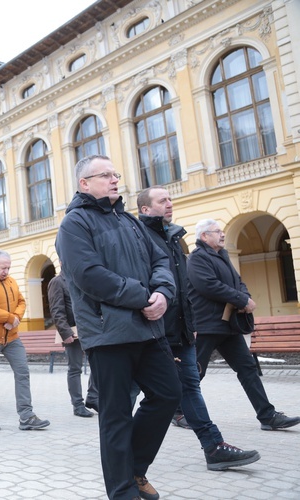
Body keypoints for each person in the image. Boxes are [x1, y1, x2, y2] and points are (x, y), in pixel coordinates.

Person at [56, 155, 181, 500]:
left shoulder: (130, 221)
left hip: (148, 329)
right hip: (108, 334)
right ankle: (122, 491)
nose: (114, 180)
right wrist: (143, 297)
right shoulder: (74, 224)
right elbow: (89, 275)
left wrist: (162, 294)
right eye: (105, 175)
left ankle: (134, 469)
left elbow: (160, 261)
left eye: (116, 174)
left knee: (169, 394)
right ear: (85, 183)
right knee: (115, 416)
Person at [138, 187, 261, 470]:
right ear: (145, 209)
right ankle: (121, 455)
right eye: (162, 201)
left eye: (170, 199)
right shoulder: (140, 238)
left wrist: (189, 325)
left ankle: (213, 447)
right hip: (154, 331)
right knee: (135, 392)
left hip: (181, 331)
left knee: (190, 387)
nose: (170, 204)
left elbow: (184, 290)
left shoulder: (173, 238)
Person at [188, 218, 300, 432]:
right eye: (217, 231)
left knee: (247, 368)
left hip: (228, 326)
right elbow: (209, 286)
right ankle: (176, 410)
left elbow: (238, 281)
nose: (222, 234)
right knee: (195, 372)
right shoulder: (197, 258)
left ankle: (267, 416)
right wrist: (242, 300)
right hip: (207, 325)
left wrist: (245, 297)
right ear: (204, 236)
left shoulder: (221, 256)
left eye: (222, 231)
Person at [0, 250, 50, 433]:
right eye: (3, 267)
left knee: (22, 371)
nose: (7, 271)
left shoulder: (11, 281)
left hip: (12, 337)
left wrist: (15, 317)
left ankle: (27, 416)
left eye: (9, 267)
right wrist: (8, 317)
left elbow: (22, 302)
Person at [47, 267, 98, 418]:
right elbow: (56, 310)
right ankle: (77, 405)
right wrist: (65, 332)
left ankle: (93, 398)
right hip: (72, 332)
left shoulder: (80, 278)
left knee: (98, 364)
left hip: (89, 330)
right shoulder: (57, 282)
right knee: (75, 369)